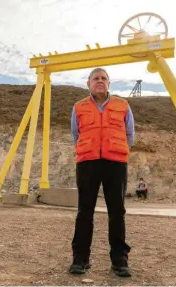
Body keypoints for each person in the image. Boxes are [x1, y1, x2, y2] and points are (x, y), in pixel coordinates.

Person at [69, 67, 135, 277]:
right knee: (84, 212)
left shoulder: (122, 105)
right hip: (87, 163)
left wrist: (116, 150)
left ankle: (119, 261)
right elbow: (75, 134)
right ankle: (80, 260)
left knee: (117, 212)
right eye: (95, 78)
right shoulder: (79, 107)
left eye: (103, 78)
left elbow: (130, 133)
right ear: (88, 83)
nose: (99, 81)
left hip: (115, 164)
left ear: (109, 83)